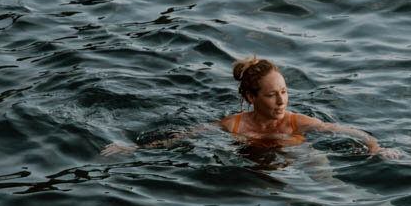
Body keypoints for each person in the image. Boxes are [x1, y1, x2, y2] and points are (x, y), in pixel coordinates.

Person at [102, 55, 396, 156]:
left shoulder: (295, 122)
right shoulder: (233, 125)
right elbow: (181, 138)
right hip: (250, 163)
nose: (281, 100)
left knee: (319, 168)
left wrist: (375, 147)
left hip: (293, 157)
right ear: (251, 98)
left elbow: (351, 132)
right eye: (271, 95)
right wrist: (134, 150)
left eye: (284, 91)